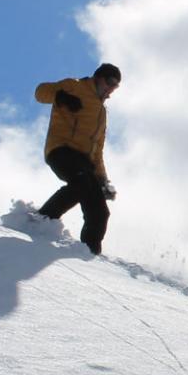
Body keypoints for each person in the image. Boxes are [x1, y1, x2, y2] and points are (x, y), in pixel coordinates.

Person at [33, 63, 121, 255]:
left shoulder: (101, 112)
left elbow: (97, 151)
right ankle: (42, 219)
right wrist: (61, 96)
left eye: (115, 86)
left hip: (84, 161)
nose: (111, 89)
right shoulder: (75, 86)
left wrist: (103, 180)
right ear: (98, 78)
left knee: (100, 211)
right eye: (110, 82)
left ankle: (89, 252)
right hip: (61, 150)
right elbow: (40, 92)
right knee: (81, 183)